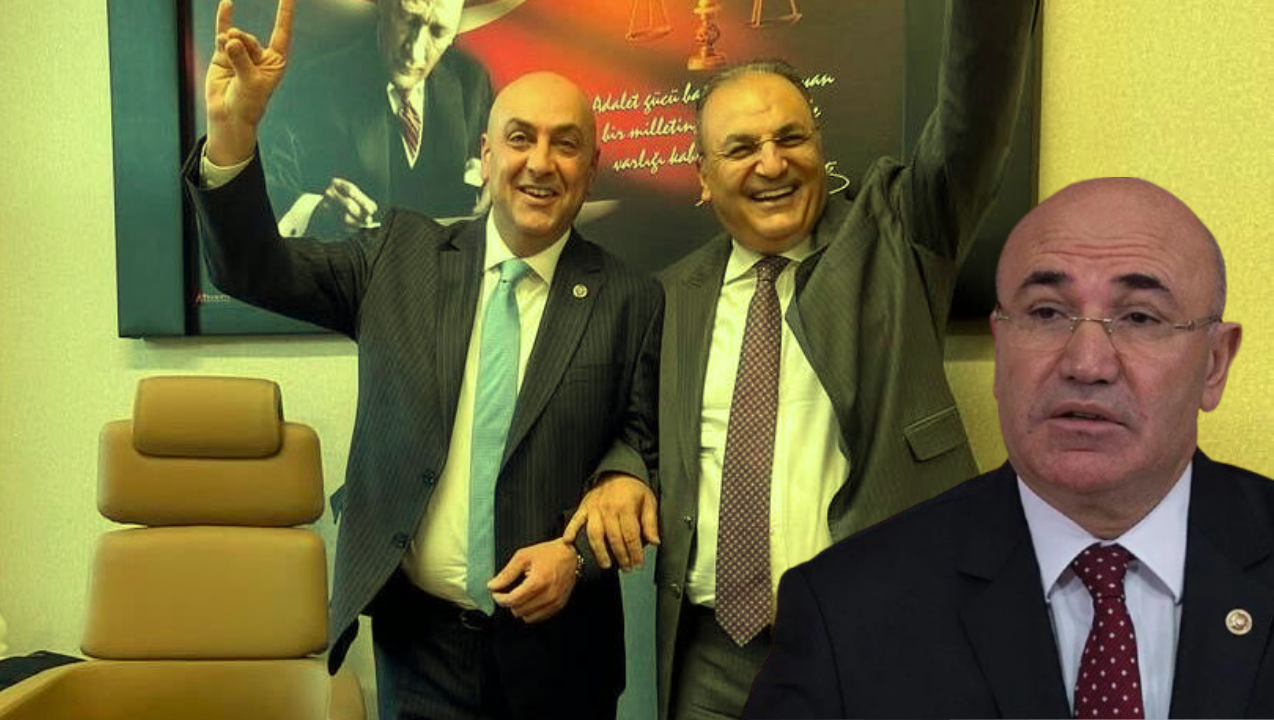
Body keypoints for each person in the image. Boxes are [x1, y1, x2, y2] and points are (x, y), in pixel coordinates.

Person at [183, 2, 662, 718]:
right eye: (520, 139)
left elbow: (641, 445)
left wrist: (581, 551)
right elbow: (253, 270)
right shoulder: (397, 258)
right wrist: (233, 135)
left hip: (563, 656)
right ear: (486, 155)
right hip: (419, 649)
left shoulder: (632, 298)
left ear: (591, 169)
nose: (540, 162)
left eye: (566, 145)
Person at [565, 1, 1038, 718]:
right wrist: (619, 474)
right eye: (742, 148)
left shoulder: (901, 238)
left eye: (792, 137)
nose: (772, 162)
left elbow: (973, 116)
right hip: (712, 662)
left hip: (878, 645)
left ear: (820, 148)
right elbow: (639, 428)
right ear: (703, 175)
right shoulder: (669, 297)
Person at [744, 177, 1270, 719]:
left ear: (1215, 364)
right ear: (1001, 348)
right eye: (1046, 313)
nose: (1086, 364)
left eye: (1140, 317)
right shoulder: (845, 608)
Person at [262, 0, 493, 237]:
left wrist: (497, 183)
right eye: (409, 20)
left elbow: (492, 165)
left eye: (438, 31)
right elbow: (265, 190)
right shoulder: (311, 88)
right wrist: (316, 211)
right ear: (384, 6)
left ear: (453, 33)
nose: (414, 51)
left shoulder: (471, 81)